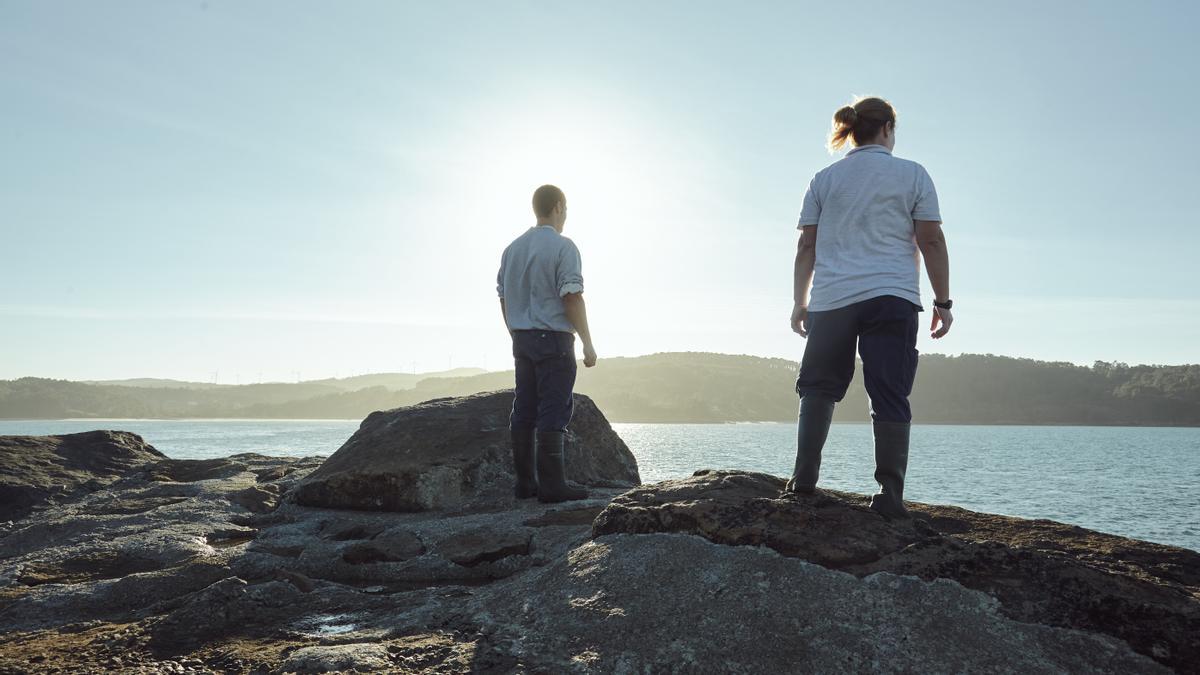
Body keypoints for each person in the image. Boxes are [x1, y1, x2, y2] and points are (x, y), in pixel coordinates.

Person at [786, 97, 953, 520]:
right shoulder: (913, 174)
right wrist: (943, 302)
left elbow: (806, 245)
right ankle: (889, 496)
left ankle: (803, 481)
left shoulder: (824, 179)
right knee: (890, 392)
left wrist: (798, 303)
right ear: (888, 129)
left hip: (832, 299)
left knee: (818, 387)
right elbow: (931, 240)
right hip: (892, 297)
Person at [496, 184, 598, 503]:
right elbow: (571, 296)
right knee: (554, 407)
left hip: (522, 337)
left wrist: (515, 332)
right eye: (565, 209)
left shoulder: (512, 249)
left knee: (524, 407)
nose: (565, 216)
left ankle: (525, 484)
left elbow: (503, 296)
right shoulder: (563, 247)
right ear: (557, 206)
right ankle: (554, 487)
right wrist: (588, 343)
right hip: (553, 337)